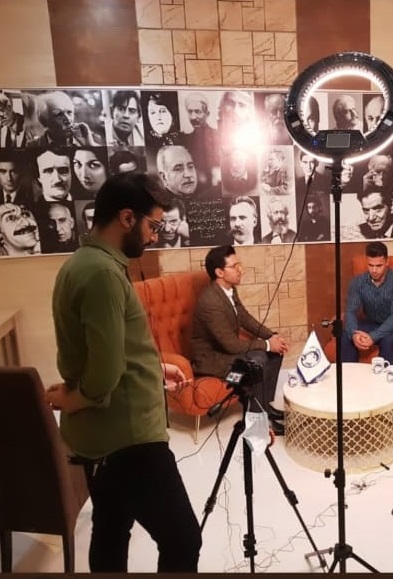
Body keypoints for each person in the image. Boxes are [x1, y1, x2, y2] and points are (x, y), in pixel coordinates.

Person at [45, 172, 202, 572]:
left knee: (111, 530)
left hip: (106, 437)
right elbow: (103, 375)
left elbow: (108, 348)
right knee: (183, 539)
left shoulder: (86, 263)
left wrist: (154, 368)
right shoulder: (102, 274)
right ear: (128, 218)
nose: (154, 237)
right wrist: (72, 400)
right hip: (128, 439)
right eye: (153, 226)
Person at [191, 244, 289, 433]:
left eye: (239, 264)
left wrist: (271, 336)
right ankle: (258, 423)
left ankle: (264, 408)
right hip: (211, 359)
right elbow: (231, 345)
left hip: (225, 350)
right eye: (234, 266)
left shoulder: (229, 290)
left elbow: (245, 318)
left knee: (275, 352)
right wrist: (267, 344)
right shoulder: (211, 302)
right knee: (258, 360)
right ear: (220, 272)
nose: (240, 270)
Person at [342, 241, 393, 365]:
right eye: (370, 265)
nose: (374, 270)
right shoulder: (358, 282)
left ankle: (386, 377)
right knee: (346, 335)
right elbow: (350, 311)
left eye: (379, 266)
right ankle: (349, 375)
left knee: (388, 341)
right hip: (370, 323)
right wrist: (353, 334)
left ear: (387, 262)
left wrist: (373, 337)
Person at [27, 91, 102, 148]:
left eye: (69, 112)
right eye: (59, 114)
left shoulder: (91, 138)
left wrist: (89, 146)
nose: (68, 120)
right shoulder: (32, 147)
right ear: (45, 121)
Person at [181, 92, 219, 186]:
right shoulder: (185, 140)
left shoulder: (218, 136)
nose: (193, 117)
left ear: (207, 114)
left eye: (198, 112)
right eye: (190, 112)